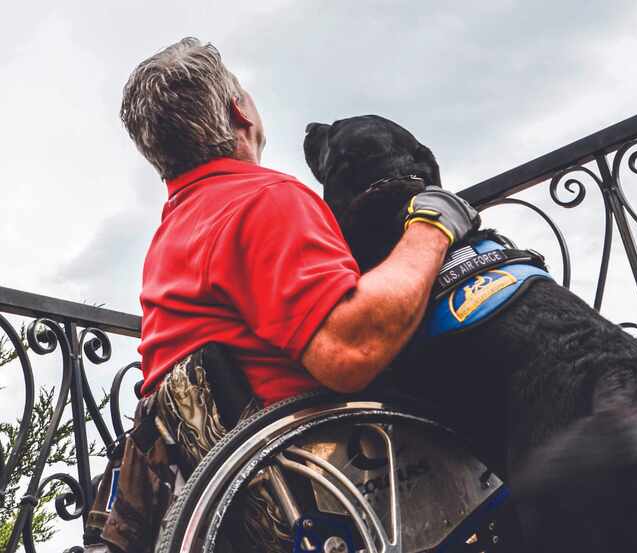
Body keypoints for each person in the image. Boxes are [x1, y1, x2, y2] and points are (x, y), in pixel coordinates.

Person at [82, 37, 479, 553]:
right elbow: (350, 350)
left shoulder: (171, 238)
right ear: (239, 109)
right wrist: (432, 226)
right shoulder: (265, 200)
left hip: (242, 507)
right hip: (336, 500)